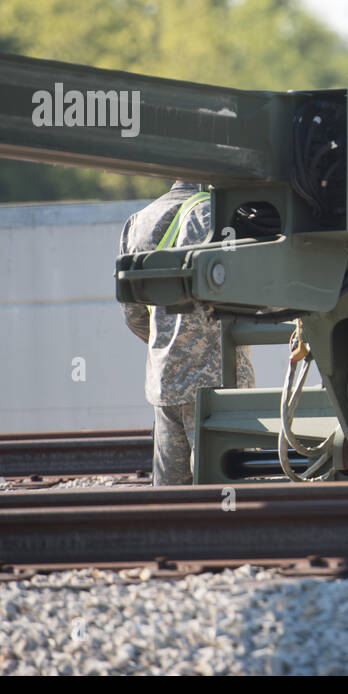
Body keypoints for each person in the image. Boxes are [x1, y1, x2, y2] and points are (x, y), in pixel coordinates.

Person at [119, 182, 255, 485]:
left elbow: (133, 315)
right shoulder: (218, 214)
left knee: (172, 497)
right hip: (221, 384)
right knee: (228, 488)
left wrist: (169, 343)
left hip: (165, 381)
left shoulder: (139, 221)